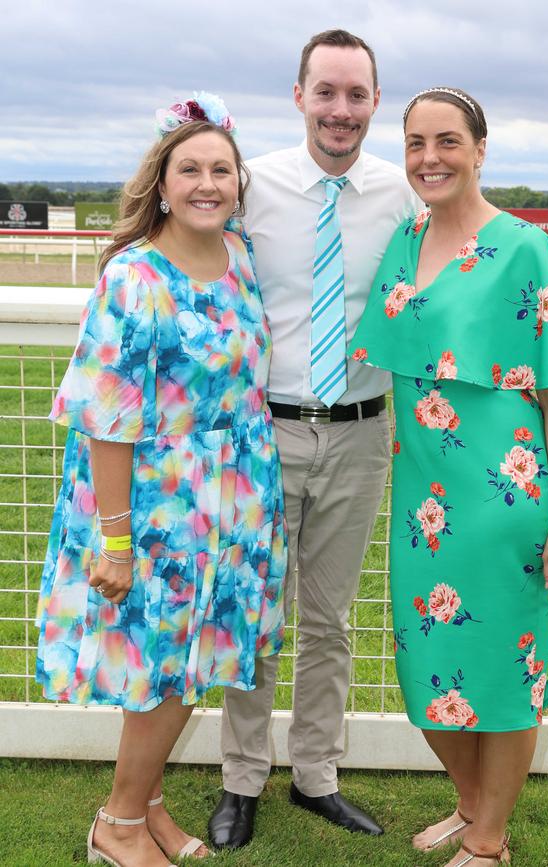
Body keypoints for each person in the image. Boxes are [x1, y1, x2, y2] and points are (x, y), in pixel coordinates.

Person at [348, 87, 548, 866]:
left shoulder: (525, 249)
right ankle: (473, 805)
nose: (429, 158)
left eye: (447, 141)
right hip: (425, 507)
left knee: (503, 678)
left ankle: (490, 839)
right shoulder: (404, 241)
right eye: (415, 143)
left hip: (508, 504)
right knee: (423, 673)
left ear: (479, 149)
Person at [35, 92, 287, 867]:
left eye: (221, 168)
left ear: (238, 181)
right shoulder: (135, 276)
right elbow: (105, 416)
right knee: (160, 671)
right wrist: (114, 542)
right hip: (154, 505)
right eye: (190, 169)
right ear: (162, 179)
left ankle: (146, 805)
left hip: (233, 499)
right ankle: (115, 826)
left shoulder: (239, 255)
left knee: (196, 661)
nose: (207, 183)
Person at [208, 29, 419, 849]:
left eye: (356, 94)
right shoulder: (252, 184)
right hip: (265, 430)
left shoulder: (402, 194)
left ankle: (316, 775)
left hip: (365, 432)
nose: (341, 110)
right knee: (258, 614)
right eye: (325, 92)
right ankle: (240, 778)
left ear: (374, 101)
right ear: (299, 96)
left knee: (330, 620)